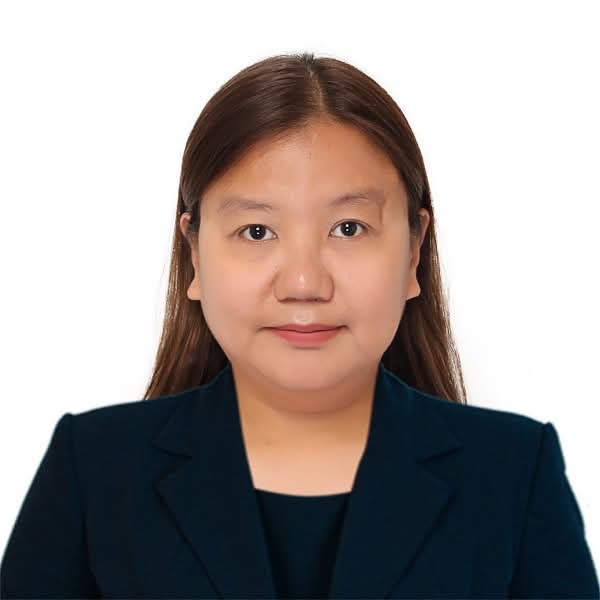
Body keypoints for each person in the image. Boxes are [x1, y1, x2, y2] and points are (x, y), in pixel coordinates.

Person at [1, 52, 598, 599]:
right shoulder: (93, 473)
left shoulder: (515, 474)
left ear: (414, 251)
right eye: (257, 231)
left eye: (349, 228)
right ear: (195, 255)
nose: (305, 282)